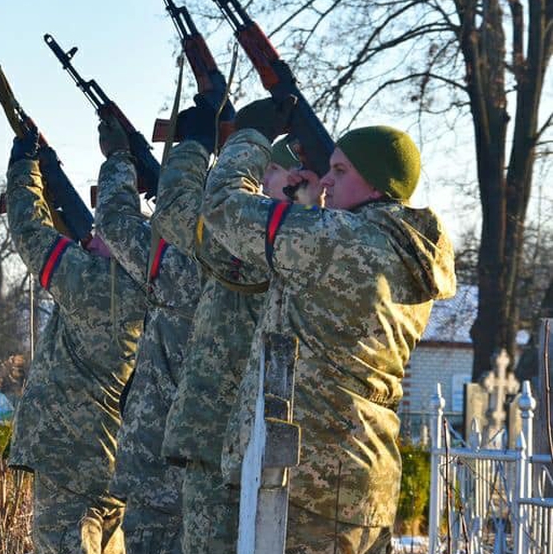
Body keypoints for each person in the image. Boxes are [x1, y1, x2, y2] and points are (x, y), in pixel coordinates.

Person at [204, 99, 456, 554]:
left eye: (340, 172)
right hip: (362, 479)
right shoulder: (402, 251)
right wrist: (304, 208)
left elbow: (223, 208)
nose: (325, 179)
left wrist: (250, 138)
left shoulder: (341, 240)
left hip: (309, 483)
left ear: (377, 184)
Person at [150, 111, 306, 554]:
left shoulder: (268, 241)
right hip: (237, 449)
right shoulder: (306, 240)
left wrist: (196, 142)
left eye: (269, 169)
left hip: (226, 447)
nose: (258, 180)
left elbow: (178, 209)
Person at [5, 130, 146, 554]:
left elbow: (29, 230)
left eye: (102, 231)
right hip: (114, 467)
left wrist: (23, 167)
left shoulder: (90, 283)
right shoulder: (152, 291)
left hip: (69, 465)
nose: (90, 237)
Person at [92, 114, 207, 554]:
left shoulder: (185, 264)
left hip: (162, 470)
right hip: (194, 468)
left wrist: (120, 159)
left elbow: (117, 224)